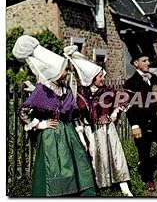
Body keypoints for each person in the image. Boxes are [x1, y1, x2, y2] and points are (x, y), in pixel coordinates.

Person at [12, 35, 96, 196]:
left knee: (76, 163)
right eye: (65, 70)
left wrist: (81, 136)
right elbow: (23, 111)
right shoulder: (42, 90)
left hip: (68, 131)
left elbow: (74, 113)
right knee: (54, 165)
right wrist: (40, 124)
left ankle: (77, 193)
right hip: (51, 134)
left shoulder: (66, 89)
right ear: (56, 73)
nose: (67, 72)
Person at [64, 46, 133, 197]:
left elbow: (126, 98)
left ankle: (123, 186)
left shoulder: (107, 91)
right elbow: (75, 112)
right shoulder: (81, 94)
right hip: (89, 131)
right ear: (91, 79)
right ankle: (99, 185)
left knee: (115, 155)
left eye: (103, 76)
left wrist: (115, 112)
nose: (103, 78)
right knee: (95, 157)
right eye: (100, 76)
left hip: (107, 130)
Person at [124, 53, 157, 192]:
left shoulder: (154, 78)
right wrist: (134, 125)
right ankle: (148, 180)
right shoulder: (130, 83)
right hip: (142, 124)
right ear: (136, 63)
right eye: (145, 60)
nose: (148, 63)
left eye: (148, 60)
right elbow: (128, 106)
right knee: (144, 153)